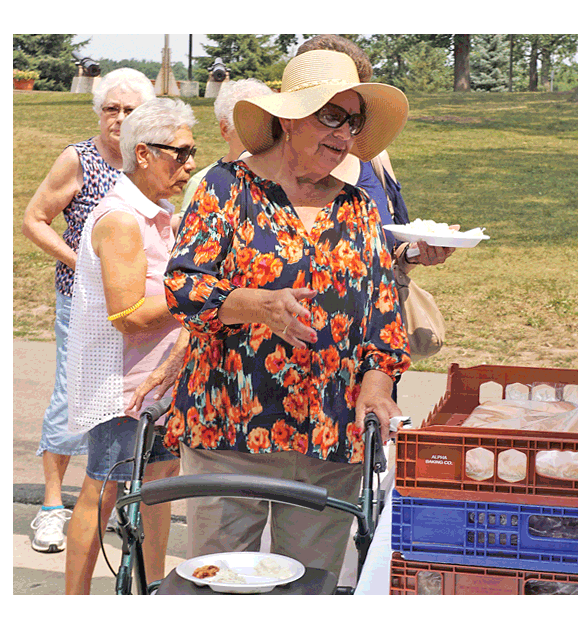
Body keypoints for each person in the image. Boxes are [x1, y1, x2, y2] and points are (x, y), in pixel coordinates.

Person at [163, 50, 411, 578]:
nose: (345, 133)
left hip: (328, 434)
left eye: (353, 121)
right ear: (291, 117)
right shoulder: (226, 188)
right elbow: (184, 288)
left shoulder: (357, 207)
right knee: (218, 589)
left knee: (308, 593)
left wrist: (377, 384)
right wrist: (256, 304)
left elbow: (383, 319)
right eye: (331, 116)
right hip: (230, 431)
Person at [63, 98, 197, 594]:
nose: (189, 165)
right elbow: (131, 316)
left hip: (156, 383)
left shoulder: (155, 211)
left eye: (192, 152)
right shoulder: (121, 219)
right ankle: (74, 603)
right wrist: (200, 294)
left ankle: (152, 593)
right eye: (179, 153)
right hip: (122, 384)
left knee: (159, 490)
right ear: (143, 153)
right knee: (103, 489)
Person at [21, 68, 155, 554]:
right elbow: (34, 220)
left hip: (139, 303)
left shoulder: (149, 158)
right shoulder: (80, 158)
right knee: (70, 394)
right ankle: (53, 507)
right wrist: (83, 264)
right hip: (82, 303)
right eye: (111, 109)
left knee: (131, 396)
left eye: (130, 110)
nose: (119, 118)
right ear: (99, 113)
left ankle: (117, 503)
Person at [297, 35, 456, 273]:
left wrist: (415, 254)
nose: (342, 130)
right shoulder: (250, 178)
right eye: (331, 113)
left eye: (354, 114)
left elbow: (395, 252)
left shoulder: (375, 160)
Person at [176, 77, 274, 217]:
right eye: (249, 126)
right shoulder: (204, 182)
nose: (262, 134)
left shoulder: (285, 178)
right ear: (225, 129)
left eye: (267, 123)